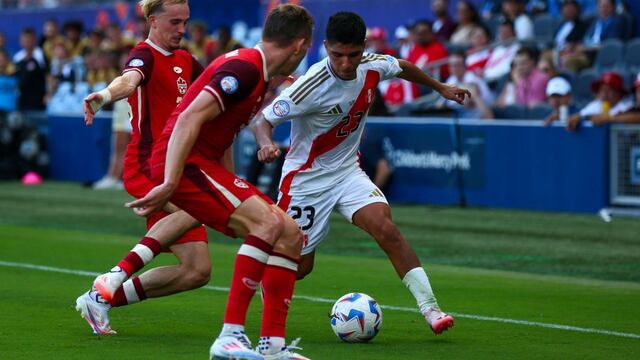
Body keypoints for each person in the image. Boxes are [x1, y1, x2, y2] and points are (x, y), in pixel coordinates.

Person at [252, 11, 470, 336]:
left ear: (363, 47)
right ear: (325, 46)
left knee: (387, 229)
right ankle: (264, 288)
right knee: (299, 266)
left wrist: (440, 87)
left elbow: (401, 66)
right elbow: (263, 121)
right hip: (306, 181)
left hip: (347, 172)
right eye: (336, 54)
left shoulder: (371, 64)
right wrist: (266, 144)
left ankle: (431, 310)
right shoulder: (311, 84)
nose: (344, 63)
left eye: (352, 54)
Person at [122, 4, 314, 359]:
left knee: (290, 234)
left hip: (198, 164)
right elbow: (187, 119)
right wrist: (169, 180)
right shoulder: (245, 68)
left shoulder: (258, 71)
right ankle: (229, 336)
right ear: (300, 46)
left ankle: (272, 346)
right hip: (183, 162)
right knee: (269, 223)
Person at [75, 0, 209, 336]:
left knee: (197, 271)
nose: (182, 29)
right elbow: (129, 80)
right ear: (153, 20)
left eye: (185, 22)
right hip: (148, 164)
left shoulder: (186, 60)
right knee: (202, 206)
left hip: (176, 167)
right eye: (175, 22)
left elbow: (217, 86)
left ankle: (100, 299)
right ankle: (115, 275)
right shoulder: (144, 55)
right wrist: (104, 95)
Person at [566, 71, 634, 131]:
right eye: (602, 90)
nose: (605, 94)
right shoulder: (597, 104)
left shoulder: (627, 105)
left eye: (610, 90)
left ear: (619, 92)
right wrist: (579, 117)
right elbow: (583, 115)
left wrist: (609, 118)